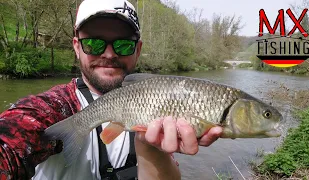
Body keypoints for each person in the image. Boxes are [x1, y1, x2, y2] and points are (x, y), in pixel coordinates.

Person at [0, 0, 222, 179]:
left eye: (123, 44)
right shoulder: (50, 108)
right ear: (77, 47)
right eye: (94, 44)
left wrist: (151, 148)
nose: (108, 54)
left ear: (138, 50)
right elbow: (9, 141)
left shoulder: (157, 102)